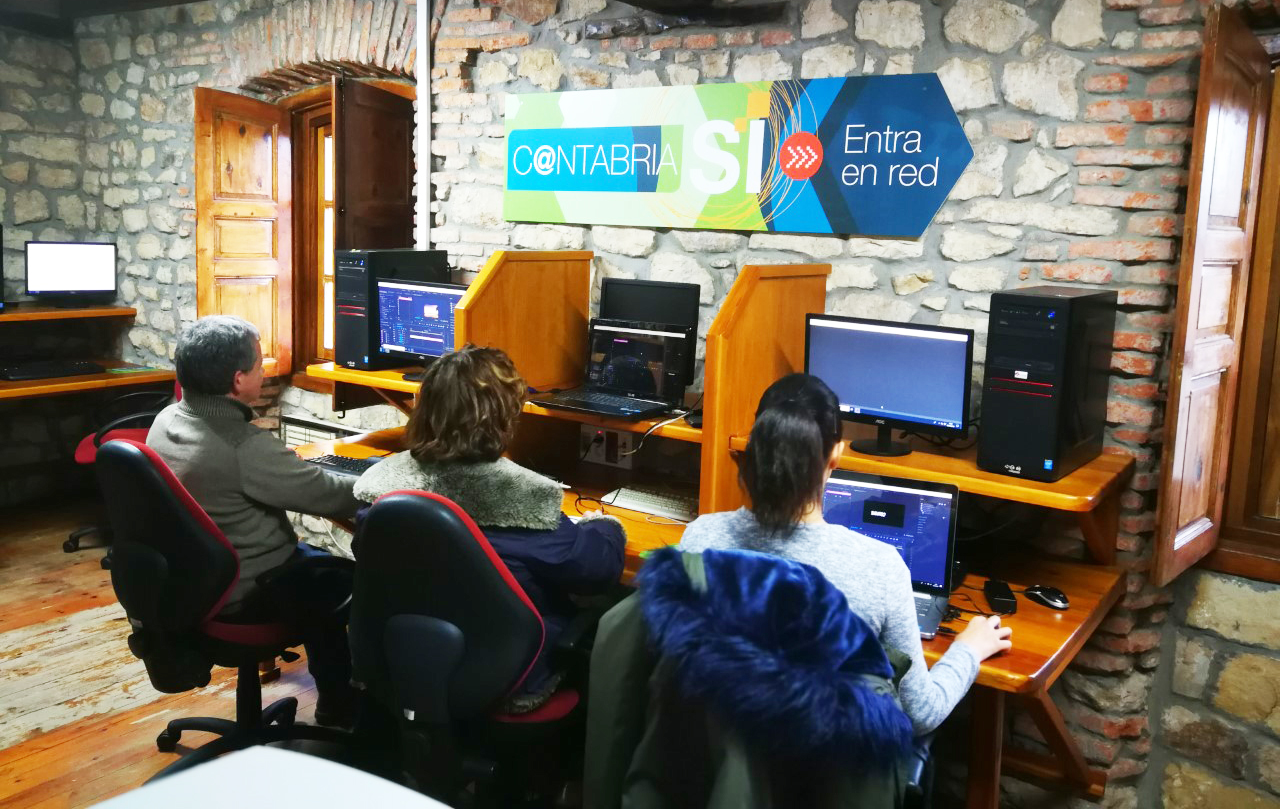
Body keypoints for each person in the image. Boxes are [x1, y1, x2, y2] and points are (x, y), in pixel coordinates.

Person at [679, 373, 1012, 735]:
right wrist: (968, 650)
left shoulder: (700, 538)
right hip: (821, 765)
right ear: (836, 455)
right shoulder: (881, 567)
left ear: (755, 447)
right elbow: (920, 715)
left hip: (717, 755)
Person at [353, 344, 625, 711]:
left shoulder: (385, 488)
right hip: (509, 676)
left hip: (405, 665)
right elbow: (597, 571)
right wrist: (605, 525)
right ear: (503, 418)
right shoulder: (524, 500)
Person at [147, 315, 361, 726]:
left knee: (316, 566)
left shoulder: (167, 419)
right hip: (249, 591)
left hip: (195, 584)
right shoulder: (241, 445)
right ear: (238, 380)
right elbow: (331, 494)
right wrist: (388, 474)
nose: (264, 372)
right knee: (346, 581)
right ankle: (341, 705)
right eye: (260, 365)